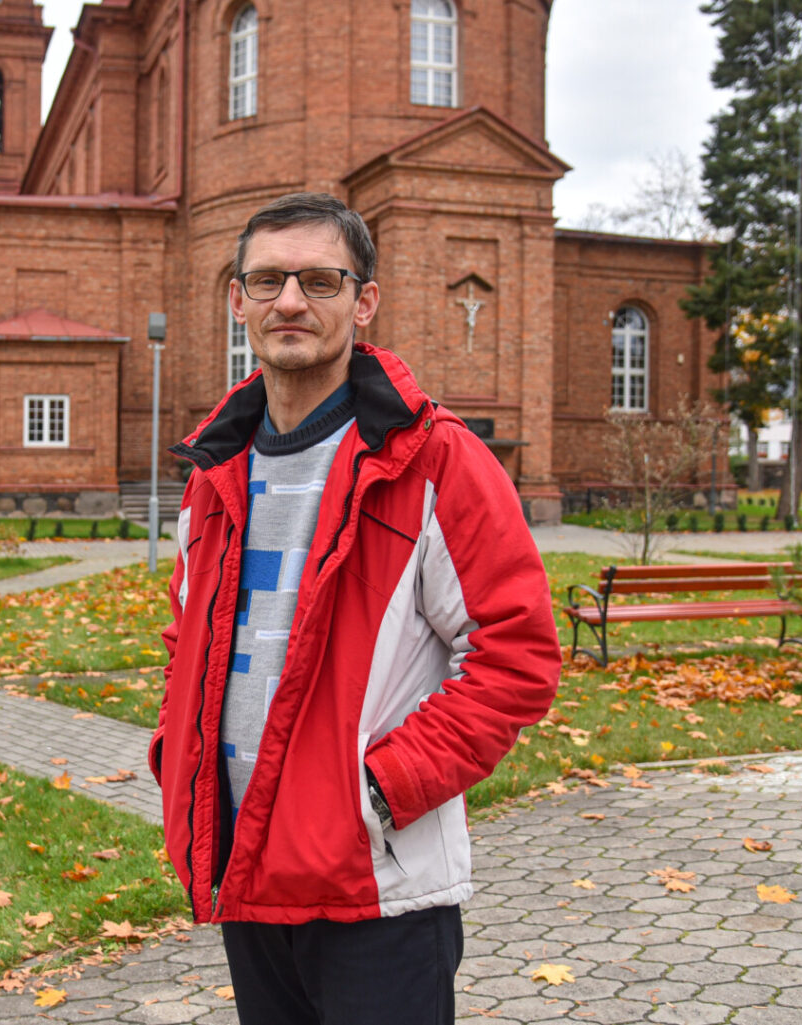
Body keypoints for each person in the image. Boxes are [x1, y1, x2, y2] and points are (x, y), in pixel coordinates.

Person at [148, 192, 563, 1025]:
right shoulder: (213, 471)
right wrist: (177, 755)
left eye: (320, 279)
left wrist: (377, 789)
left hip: (376, 886)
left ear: (363, 301)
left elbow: (518, 657)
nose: (290, 301)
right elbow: (187, 631)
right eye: (265, 280)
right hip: (246, 864)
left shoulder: (434, 459)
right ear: (237, 299)